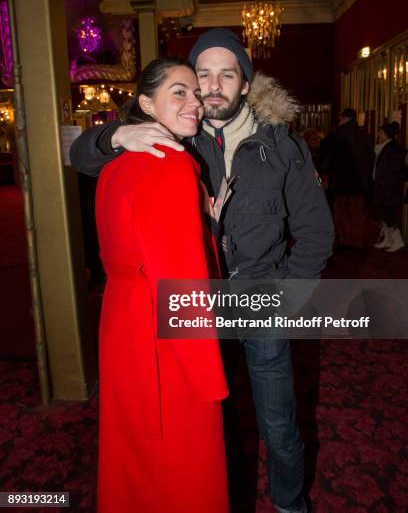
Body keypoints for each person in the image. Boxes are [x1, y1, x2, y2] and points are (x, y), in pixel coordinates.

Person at [71, 29, 334, 513]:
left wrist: (289, 295)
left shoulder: (281, 146)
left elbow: (317, 231)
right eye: (202, 76)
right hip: (198, 308)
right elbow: (81, 157)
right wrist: (115, 132)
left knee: (277, 423)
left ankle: (289, 504)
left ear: (245, 82)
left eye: (225, 74)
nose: (211, 88)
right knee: (214, 420)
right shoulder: (177, 138)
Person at [95, 57, 229, 513]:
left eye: (195, 92)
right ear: (146, 104)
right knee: (184, 470)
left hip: (121, 326)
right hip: (166, 344)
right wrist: (208, 374)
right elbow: (182, 284)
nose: (194, 101)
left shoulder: (115, 165)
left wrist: (203, 221)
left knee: (133, 460)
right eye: (179, 92)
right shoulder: (172, 165)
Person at [322, 108, 373, 248]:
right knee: (357, 214)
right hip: (360, 182)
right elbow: (370, 158)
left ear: (343, 118)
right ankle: (357, 242)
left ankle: (344, 241)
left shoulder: (339, 134)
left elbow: (330, 158)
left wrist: (326, 175)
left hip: (341, 181)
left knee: (341, 213)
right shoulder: (364, 134)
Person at [372, 121, 406, 252]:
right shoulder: (385, 146)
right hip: (382, 187)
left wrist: (387, 184)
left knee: (389, 215)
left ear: (386, 134)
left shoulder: (393, 148)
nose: (378, 134)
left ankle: (398, 241)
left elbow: (395, 171)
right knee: (384, 215)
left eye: (380, 131)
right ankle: (387, 239)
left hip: (388, 189)